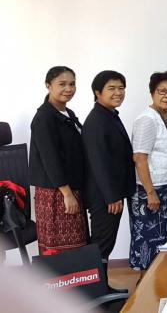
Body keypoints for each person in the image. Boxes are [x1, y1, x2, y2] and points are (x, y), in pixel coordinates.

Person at [29, 66, 88, 255]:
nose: (68, 89)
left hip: (72, 188)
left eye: (72, 84)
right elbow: (50, 159)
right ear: (48, 85)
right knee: (59, 250)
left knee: (78, 246)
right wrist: (67, 194)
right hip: (56, 193)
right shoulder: (44, 117)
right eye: (62, 84)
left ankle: (80, 277)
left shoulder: (68, 113)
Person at [82, 70, 135, 265]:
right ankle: (98, 283)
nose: (118, 93)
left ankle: (102, 282)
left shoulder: (109, 115)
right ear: (98, 92)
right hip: (104, 196)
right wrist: (111, 196)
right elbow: (99, 163)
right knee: (101, 245)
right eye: (111, 88)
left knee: (105, 244)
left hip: (111, 193)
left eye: (121, 88)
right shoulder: (97, 121)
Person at [129, 71, 167, 270]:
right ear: (152, 93)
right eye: (162, 91)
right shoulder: (147, 120)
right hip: (149, 190)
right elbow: (139, 158)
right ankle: (144, 285)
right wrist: (150, 192)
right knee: (147, 241)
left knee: (163, 240)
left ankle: (160, 282)